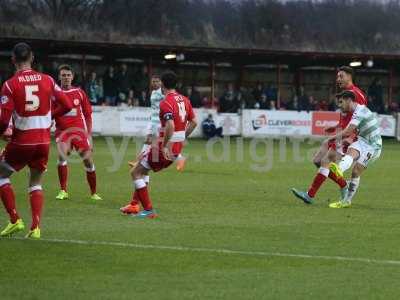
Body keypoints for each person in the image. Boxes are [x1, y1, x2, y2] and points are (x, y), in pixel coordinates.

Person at [0, 43, 72, 239]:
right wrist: (49, 118)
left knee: (1, 176)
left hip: (23, 141)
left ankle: (15, 220)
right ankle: (36, 227)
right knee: (36, 182)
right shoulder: (48, 80)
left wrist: (3, 133)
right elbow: (66, 104)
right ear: (32, 57)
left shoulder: (9, 85)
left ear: (13, 60)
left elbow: (3, 120)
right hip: (43, 142)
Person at [119, 71, 197, 218]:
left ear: (162, 85)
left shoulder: (166, 102)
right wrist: (181, 138)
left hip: (162, 147)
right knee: (143, 170)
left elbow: (170, 125)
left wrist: (166, 145)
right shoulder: (185, 100)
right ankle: (135, 205)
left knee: (135, 172)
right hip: (176, 147)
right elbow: (194, 122)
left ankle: (148, 210)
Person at [54, 65, 101, 202]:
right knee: (63, 155)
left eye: (68, 75)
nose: (66, 78)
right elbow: (49, 113)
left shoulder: (79, 93)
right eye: (63, 75)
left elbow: (87, 114)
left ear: (72, 77)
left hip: (79, 132)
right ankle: (63, 190)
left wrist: (89, 134)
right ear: (59, 77)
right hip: (63, 132)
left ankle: (93, 193)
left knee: (88, 161)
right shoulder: (54, 94)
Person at [328, 91, 382, 208]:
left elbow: (347, 131)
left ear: (349, 100)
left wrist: (332, 138)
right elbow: (352, 130)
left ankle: (347, 200)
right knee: (350, 154)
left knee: (355, 171)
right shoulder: (356, 112)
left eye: (341, 102)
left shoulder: (360, 111)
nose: (340, 105)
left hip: (374, 146)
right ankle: (339, 170)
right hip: (362, 141)